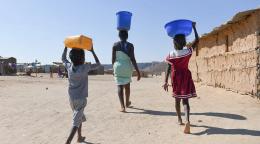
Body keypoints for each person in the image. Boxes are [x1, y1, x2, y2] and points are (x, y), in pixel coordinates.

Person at [163, 22, 199, 134]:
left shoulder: (171, 54)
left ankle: (179, 119)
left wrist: (165, 81)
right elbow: (197, 40)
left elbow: (168, 68)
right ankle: (187, 120)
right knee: (186, 101)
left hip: (176, 78)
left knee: (177, 100)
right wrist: (193, 28)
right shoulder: (187, 52)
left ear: (174, 42)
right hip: (186, 76)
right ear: (184, 43)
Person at [62, 46, 100, 144]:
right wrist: (92, 51)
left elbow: (63, 58)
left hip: (71, 99)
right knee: (76, 121)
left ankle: (79, 137)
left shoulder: (69, 66)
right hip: (81, 99)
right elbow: (98, 64)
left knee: (79, 117)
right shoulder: (85, 68)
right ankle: (68, 141)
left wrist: (65, 48)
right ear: (83, 59)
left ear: (71, 58)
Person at [112, 30, 141, 112]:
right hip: (127, 67)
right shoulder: (130, 46)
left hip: (118, 67)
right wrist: (138, 72)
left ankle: (122, 106)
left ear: (119, 36)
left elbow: (113, 59)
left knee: (119, 86)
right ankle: (127, 102)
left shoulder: (115, 45)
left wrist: (113, 68)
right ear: (127, 36)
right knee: (127, 86)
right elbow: (133, 59)